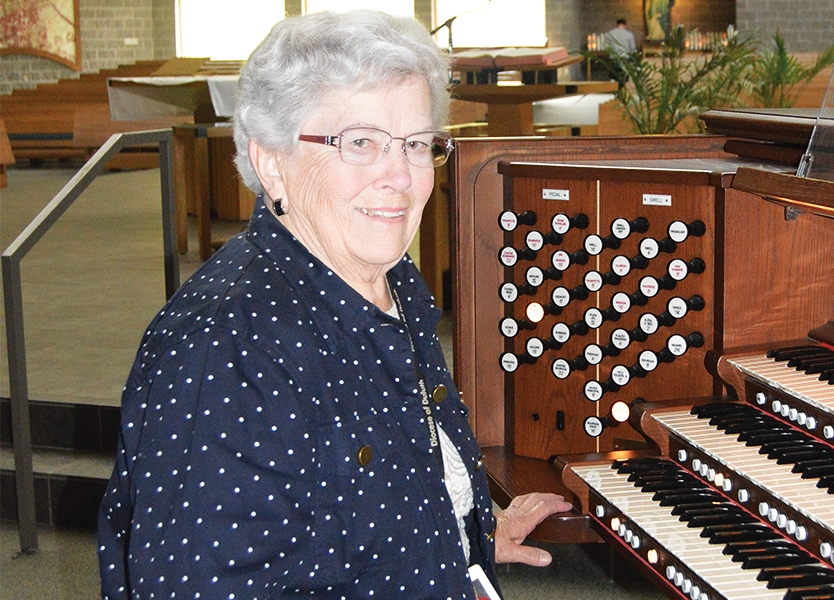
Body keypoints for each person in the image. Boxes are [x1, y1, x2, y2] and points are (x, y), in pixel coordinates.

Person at [97, 10, 572, 599]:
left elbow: (357, 494)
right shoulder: (227, 347)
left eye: (417, 144)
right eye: (361, 143)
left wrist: (457, 534)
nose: (399, 176)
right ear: (272, 162)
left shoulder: (390, 278)